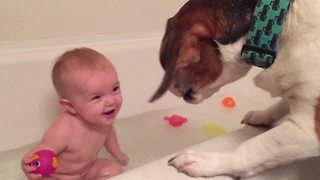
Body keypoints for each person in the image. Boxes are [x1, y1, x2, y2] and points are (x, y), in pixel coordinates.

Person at [21, 47, 129, 179]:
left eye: (115, 89)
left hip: (86, 170)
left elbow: (109, 136)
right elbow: (44, 151)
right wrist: (28, 164)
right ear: (70, 106)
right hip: (59, 176)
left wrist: (118, 154)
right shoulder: (65, 128)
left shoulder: (102, 120)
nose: (111, 101)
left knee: (114, 169)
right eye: (96, 97)